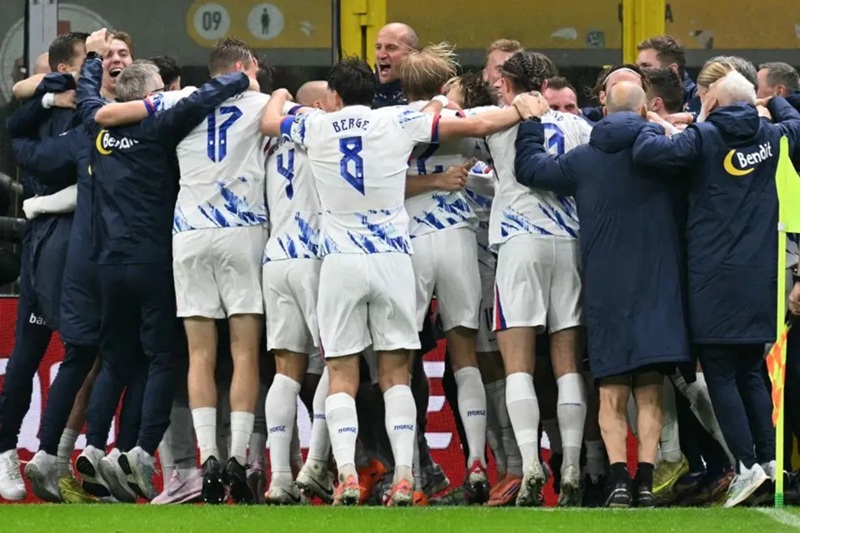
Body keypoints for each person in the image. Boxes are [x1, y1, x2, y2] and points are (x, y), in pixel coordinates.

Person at [260, 56, 545, 506]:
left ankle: (348, 475)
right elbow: (469, 124)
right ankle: (407, 476)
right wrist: (520, 109)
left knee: (341, 375)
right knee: (396, 374)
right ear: (372, 92)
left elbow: (271, 122)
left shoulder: (315, 127)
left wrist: (277, 90)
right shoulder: (395, 121)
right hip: (392, 259)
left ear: (334, 96)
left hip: (340, 263)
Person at [75, 29, 258, 502]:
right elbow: (200, 101)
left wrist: (94, 62)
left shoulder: (99, 132)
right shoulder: (164, 122)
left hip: (115, 259)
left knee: (116, 358)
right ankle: (147, 453)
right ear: (155, 96)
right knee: (171, 357)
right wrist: (244, 82)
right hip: (166, 253)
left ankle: (95, 447)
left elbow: (90, 107)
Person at [514, 80, 692, 508]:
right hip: (658, 283)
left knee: (610, 390)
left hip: (605, 285)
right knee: (650, 390)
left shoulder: (584, 159)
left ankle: (616, 482)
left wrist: (531, 124)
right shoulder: (665, 151)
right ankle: (646, 481)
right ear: (645, 110)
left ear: (604, 110)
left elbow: (532, 170)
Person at [632, 70, 800, 508]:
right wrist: (771, 103)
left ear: (716, 103)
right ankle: (769, 462)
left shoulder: (704, 137)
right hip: (760, 271)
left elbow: (649, 151)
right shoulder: (774, 135)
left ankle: (744, 467)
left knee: (721, 371)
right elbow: (799, 122)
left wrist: (701, 116)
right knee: (751, 371)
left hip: (713, 274)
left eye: (707, 96)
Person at [0, 32, 89, 503]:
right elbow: (41, 155)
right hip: (52, 246)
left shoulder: (88, 105)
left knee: (86, 347)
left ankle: (52, 454)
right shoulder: (41, 118)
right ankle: (18, 451)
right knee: (45, 346)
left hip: (80, 241)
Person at [261, 80, 335, 505]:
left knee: (285, 372)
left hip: (276, 257)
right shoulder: (322, 129)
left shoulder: (268, 144)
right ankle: (315, 464)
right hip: (314, 257)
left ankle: (280, 477)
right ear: (319, 105)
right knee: (335, 362)